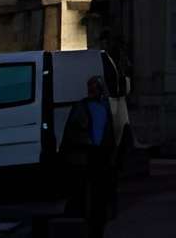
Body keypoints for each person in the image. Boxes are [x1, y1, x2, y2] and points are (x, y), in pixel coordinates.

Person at [59, 75, 116, 236]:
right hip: (87, 156)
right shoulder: (82, 107)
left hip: (100, 156)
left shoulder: (104, 106)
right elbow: (73, 132)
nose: (93, 91)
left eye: (95, 87)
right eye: (91, 88)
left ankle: (97, 224)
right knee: (84, 194)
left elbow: (108, 132)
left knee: (99, 195)